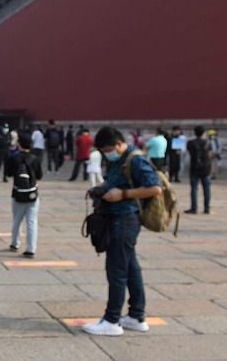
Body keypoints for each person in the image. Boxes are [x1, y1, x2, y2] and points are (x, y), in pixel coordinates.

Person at [81, 127, 161, 337]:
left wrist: (122, 194)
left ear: (118, 144)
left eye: (108, 150)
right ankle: (136, 316)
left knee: (116, 270)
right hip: (118, 219)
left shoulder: (135, 159)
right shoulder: (119, 159)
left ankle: (111, 320)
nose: (107, 154)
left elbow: (155, 187)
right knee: (131, 268)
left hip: (125, 220)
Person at [5, 132, 43, 258]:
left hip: (17, 193)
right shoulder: (35, 159)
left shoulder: (14, 158)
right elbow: (39, 176)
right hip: (32, 193)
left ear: (19, 144)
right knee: (32, 221)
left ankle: (15, 243)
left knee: (17, 220)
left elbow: (8, 174)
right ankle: (31, 249)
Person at [185, 125, 212, 215]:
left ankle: (194, 208)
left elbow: (189, 151)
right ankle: (207, 208)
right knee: (207, 189)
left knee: (194, 189)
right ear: (204, 133)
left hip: (194, 168)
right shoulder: (208, 142)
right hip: (206, 169)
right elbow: (210, 154)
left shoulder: (190, 143)